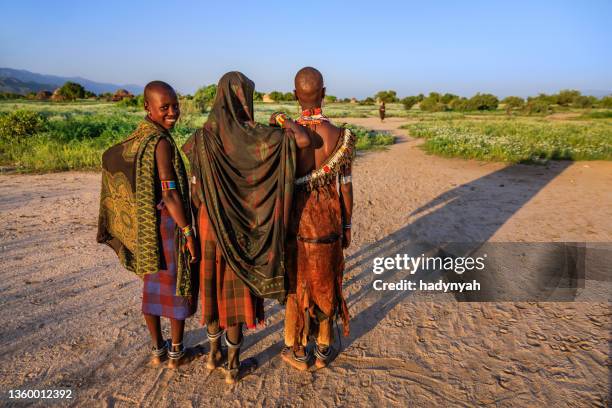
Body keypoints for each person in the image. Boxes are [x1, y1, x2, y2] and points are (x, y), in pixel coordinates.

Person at [182, 71, 311, 384]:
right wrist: (282, 119)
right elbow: (303, 141)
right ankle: (233, 365)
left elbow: (196, 192)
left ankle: (213, 355)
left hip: (210, 223)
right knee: (235, 293)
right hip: (246, 227)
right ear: (246, 99)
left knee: (213, 290)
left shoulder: (201, 138)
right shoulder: (261, 138)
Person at [97, 81, 199, 369]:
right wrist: (188, 231)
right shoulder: (161, 143)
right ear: (147, 107)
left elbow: (111, 156)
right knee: (178, 286)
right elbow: (169, 193)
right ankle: (176, 353)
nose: (172, 113)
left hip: (144, 229)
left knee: (151, 288)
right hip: (168, 225)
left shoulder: (138, 138)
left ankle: (157, 349)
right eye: (164, 107)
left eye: (175, 106)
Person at [272, 67, 353, 370]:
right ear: (324, 93)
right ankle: (322, 347)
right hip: (328, 220)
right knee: (326, 279)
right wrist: (346, 225)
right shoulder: (340, 137)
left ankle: (296, 349)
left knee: (297, 282)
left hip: (294, 219)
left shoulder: (284, 135)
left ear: (295, 95)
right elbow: (346, 187)